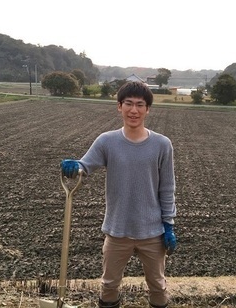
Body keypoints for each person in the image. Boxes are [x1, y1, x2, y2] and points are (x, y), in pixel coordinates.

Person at [61, 81, 177, 308]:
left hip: (152, 231)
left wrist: (169, 225)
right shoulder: (107, 141)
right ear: (119, 106)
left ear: (147, 109)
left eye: (140, 105)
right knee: (109, 284)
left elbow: (167, 187)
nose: (134, 110)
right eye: (129, 104)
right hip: (117, 231)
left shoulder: (162, 145)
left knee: (158, 285)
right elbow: (86, 165)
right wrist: (75, 166)